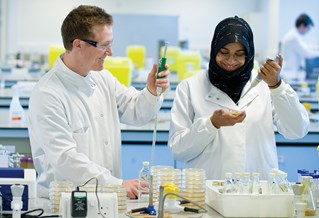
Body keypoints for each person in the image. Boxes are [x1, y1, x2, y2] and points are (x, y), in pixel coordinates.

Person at [27, 5, 170, 199]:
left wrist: (152, 91)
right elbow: (65, 159)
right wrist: (116, 184)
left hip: (108, 200)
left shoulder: (102, 78)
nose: (110, 52)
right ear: (78, 44)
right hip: (66, 202)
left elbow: (136, 111)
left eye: (110, 43)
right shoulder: (48, 94)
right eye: (103, 45)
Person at [168, 16, 309, 180]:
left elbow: (297, 130)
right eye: (224, 53)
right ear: (214, 50)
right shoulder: (190, 87)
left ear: (249, 54)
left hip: (258, 194)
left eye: (239, 54)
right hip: (206, 195)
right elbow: (178, 149)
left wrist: (277, 87)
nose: (231, 61)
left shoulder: (266, 85)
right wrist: (211, 124)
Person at [281, 13, 319, 81]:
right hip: (290, 74)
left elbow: (307, 47)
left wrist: (316, 48)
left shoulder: (295, 35)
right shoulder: (293, 37)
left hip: (292, 73)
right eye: (308, 28)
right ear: (302, 26)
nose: (308, 31)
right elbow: (307, 53)